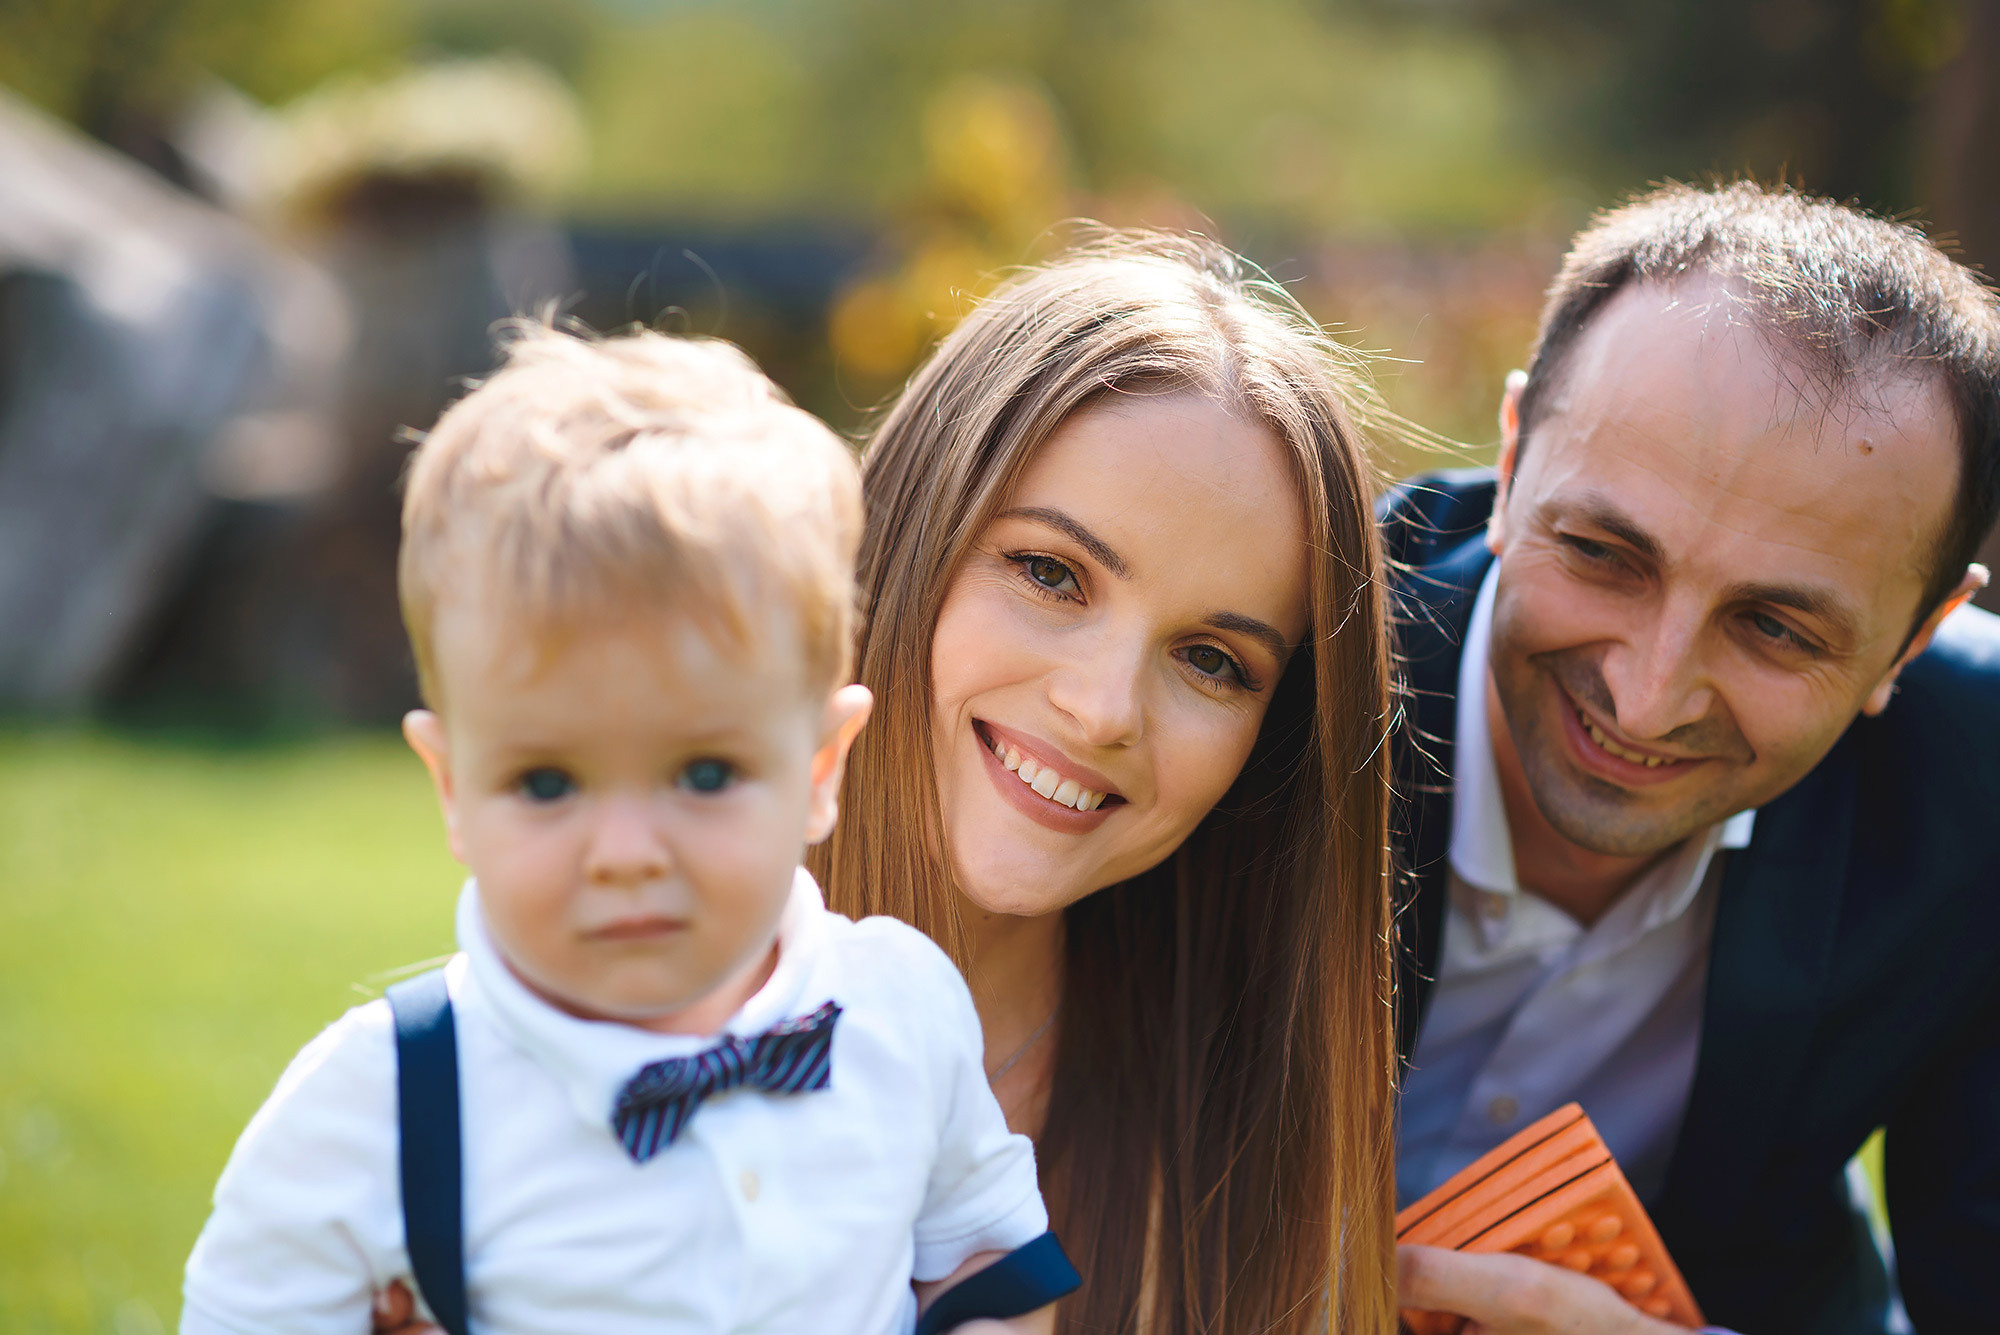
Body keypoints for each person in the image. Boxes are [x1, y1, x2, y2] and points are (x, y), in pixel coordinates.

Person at [183, 325, 1067, 1334]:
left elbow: (982, 1257)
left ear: (819, 768)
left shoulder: (896, 1010)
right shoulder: (382, 1101)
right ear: (453, 789)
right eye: (548, 782)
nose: (626, 854)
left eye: (703, 774)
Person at [1386, 181, 2000, 1335]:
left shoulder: (1982, 786)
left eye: (1773, 627)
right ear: (1510, 464)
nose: (1645, 695)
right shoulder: (1265, 647)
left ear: (1911, 641)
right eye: (1604, 552)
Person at [810, 233, 1402, 1334]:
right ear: (901, 537)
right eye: (1049, 573)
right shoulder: (571, 1024)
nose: (1103, 708)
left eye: (1211, 661)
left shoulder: (1244, 1185)